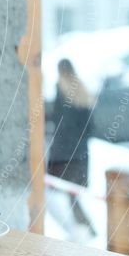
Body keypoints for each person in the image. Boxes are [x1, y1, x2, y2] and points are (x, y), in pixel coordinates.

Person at [47, 58, 95, 235]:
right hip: (80, 155)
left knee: (56, 194)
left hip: (63, 154)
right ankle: (85, 230)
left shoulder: (61, 89)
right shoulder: (82, 90)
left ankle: (80, 231)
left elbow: (60, 121)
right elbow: (90, 127)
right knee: (72, 195)